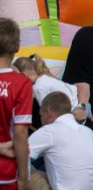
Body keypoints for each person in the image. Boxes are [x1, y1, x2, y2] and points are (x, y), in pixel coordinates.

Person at [27, 91, 93, 190]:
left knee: (20, 165)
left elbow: (18, 155)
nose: (41, 120)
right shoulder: (89, 132)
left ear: (48, 112)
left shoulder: (49, 131)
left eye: (41, 115)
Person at [0, 18, 32, 190]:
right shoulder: (21, 84)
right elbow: (20, 133)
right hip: (6, 172)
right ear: (17, 47)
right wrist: (24, 177)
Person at [13, 55, 89, 123]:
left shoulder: (38, 88)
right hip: (85, 106)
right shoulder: (46, 78)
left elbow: (46, 113)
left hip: (76, 115)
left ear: (23, 75)